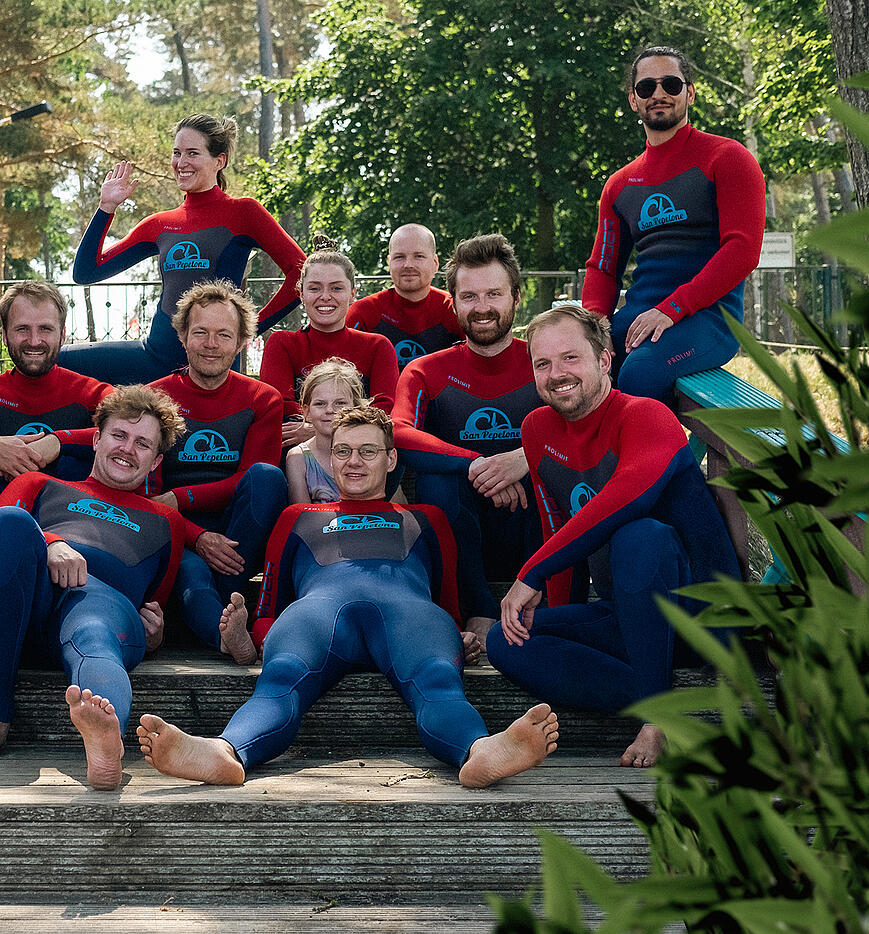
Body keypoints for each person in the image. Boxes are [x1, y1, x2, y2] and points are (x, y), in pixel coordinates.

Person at [136, 405, 560, 788]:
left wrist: (457, 635)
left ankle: (478, 751)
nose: (353, 462)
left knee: (438, 681)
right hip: (317, 614)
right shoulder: (297, 517)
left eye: (367, 451)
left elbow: (447, 600)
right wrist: (255, 638)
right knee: (279, 679)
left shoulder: (426, 518)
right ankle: (225, 752)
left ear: (392, 459)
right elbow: (268, 607)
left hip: (410, 615)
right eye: (342, 452)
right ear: (328, 457)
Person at [486, 305, 741, 768]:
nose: (556, 374)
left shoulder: (647, 416)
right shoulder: (538, 429)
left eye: (570, 358)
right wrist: (544, 597)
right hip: (625, 617)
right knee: (506, 640)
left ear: (604, 360)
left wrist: (531, 572)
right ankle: (653, 703)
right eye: (542, 364)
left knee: (637, 536)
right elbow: (557, 529)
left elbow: (626, 498)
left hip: (697, 618)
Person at [0, 386, 205, 790]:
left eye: (143, 444)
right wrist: (51, 543)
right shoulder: (40, 484)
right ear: (96, 439)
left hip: (101, 609)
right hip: (26, 610)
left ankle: (106, 742)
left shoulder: (166, 521)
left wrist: (155, 633)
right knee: (9, 526)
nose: (127, 449)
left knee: (93, 629)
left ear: (156, 460)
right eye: (119, 436)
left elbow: (155, 600)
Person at [63, 114, 307, 384]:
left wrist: (247, 330)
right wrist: (106, 208)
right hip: (155, 358)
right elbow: (86, 272)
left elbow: (301, 275)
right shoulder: (160, 224)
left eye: (193, 153)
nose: (181, 163)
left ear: (219, 160)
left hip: (214, 369)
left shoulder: (244, 212)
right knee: (55, 360)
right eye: (177, 153)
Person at [582, 46, 765, 400]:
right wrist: (596, 325)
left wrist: (672, 309)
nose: (659, 93)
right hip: (638, 315)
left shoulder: (727, 158)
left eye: (671, 84)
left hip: (709, 319)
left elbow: (743, 251)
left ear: (690, 93)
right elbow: (603, 268)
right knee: (568, 362)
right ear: (634, 100)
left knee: (640, 373)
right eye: (647, 87)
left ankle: (665, 458)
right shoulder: (620, 185)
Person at [391, 234, 543, 641]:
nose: (483, 308)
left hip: (535, 532)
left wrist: (525, 458)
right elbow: (400, 433)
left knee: (553, 470)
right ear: (453, 301)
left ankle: (536, 600)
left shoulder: (544, 360)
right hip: (458, 539)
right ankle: (478, 609)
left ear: (516, 296)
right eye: (470, 296)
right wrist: (477, 465)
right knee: (438, 479)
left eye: (494, 294)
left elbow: (589, 426)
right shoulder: (426, 371)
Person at [148, 280, 287, 662]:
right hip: (178, 528)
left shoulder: (262, 398)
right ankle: (228, 638)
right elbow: (149, 493)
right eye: (201, 333)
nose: (211, 343)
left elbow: (253, 477)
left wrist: (182, 497)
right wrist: (196, 536)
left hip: (241, 528)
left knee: (267, 477)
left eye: (223, 335)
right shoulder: (155, 397)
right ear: (182, 336)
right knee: (191, 574)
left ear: (242, 342)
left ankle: (228, 595)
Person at [0, 281, 113, 547]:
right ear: (4, 335)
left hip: (76, 544)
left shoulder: (94, 393)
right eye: (22, 329)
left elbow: (129, 433)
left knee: (82, 457)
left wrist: (58, 442)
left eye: (45, 329)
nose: (34, 341)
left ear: (62, 335)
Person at [259, 244, 398, 450]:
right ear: (301, 294)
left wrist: (322, 429)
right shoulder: (282, 343)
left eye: (336, 288)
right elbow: (280, 404)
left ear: (352, 293)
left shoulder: (377, 346)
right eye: (314, 288)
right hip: (300, 449)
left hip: (359, 446)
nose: (325, 296)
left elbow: (384, 407)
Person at [346, 224, 461, 369]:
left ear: (435, 263)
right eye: (399, 257)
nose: (408, 264)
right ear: (389, 263)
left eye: (418, 256)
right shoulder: (364, 313)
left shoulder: (455, 309)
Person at [285, 358, 366, 505]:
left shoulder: (369, 452)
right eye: (320, 404)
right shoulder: (298, 458)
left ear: (356, 407)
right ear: (306, 412)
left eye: (340, 403)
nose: (330, 410)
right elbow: (301, 516)